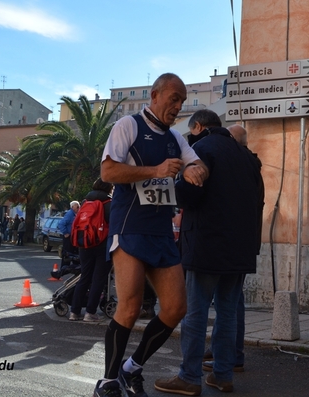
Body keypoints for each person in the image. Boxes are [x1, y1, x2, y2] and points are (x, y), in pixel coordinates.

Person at [94, 73, 209, 397]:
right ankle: (108, 380)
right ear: (155, 95)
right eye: (173, 98)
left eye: (182, 101)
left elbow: (196, 164)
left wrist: (195, 170)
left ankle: (132, 368)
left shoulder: (175, 138)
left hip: (160, 232)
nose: (177, 106)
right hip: (129, 226)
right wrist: (156, 171)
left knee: (175, 308)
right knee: (129, 306)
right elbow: (108, 171)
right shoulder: (128, 127)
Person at [154, 111, 262, 396]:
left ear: (199, 127)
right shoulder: (247, 156)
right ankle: (223, 374)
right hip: (241, 248)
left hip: (207, 244)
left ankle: (189, 377)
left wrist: (172, 184)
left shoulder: (202, 149)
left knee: (196, 312)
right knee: (228, 313)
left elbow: (190, 194)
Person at [202, 124, 264, 375]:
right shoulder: (252, 165)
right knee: (231, 303)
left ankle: (230, 355)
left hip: (228, 244)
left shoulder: (239, 164)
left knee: (229, 304)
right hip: (244, 243)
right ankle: (225, 352)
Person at [69, 181, 113, 322]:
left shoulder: (85, 202)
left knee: (84, 277)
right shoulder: (109, 202)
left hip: (84, 243)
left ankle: (74, 312)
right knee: (98, 279)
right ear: (109, 188)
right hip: (102, 244)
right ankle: (90, 313)